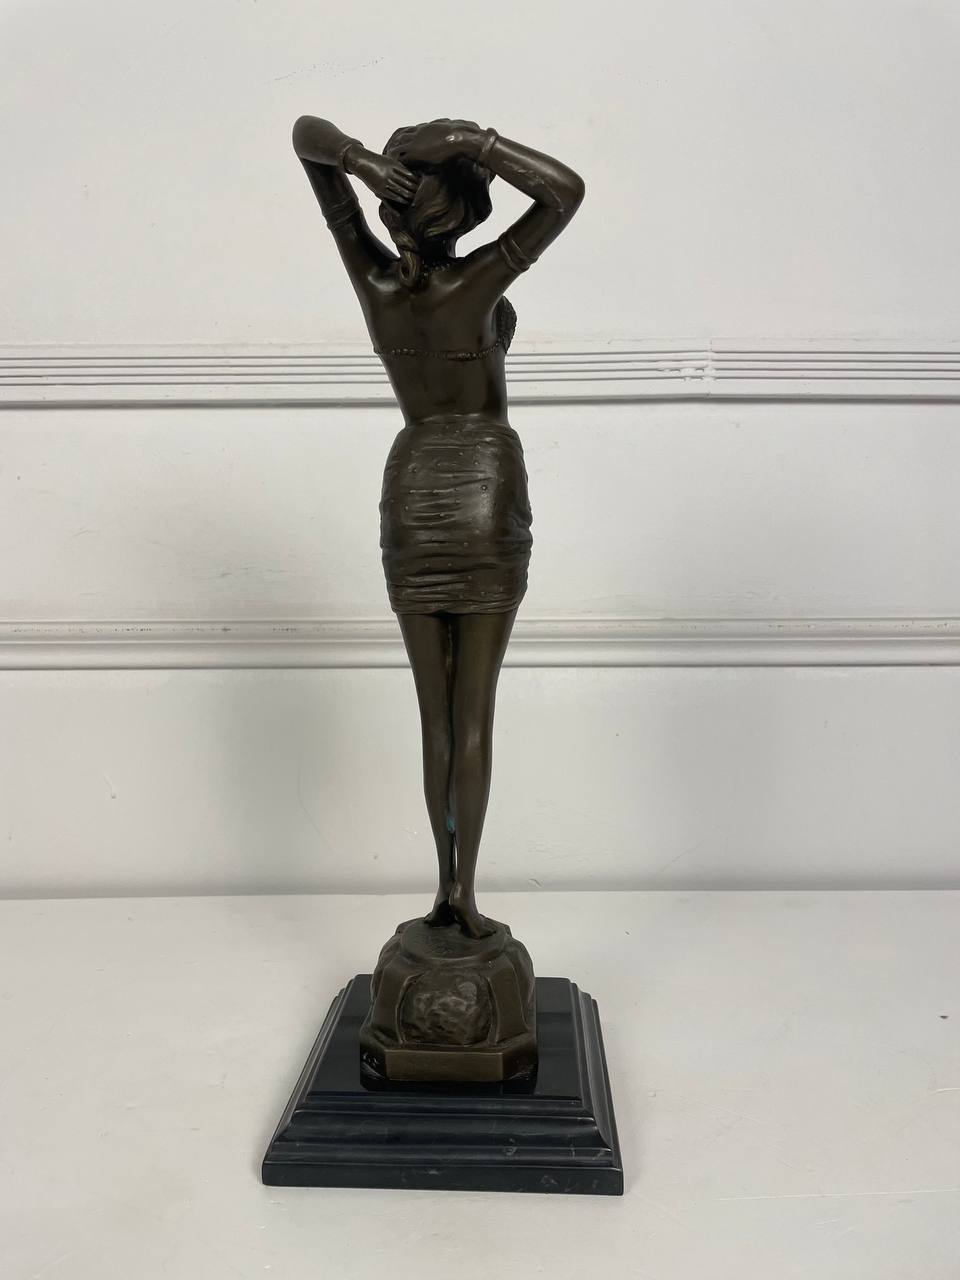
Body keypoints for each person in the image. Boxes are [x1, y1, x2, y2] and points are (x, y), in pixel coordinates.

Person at [292, 116, 584, 938]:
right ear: (464, 212)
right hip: (485, 489)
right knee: (474, 713)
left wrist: (356, 162)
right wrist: (470, 138)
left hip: (414, 491)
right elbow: (565, 192)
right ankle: (464, 896)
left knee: (436, 716)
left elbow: (305, 137)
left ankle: (445, 887)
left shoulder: (375, 283)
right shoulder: (476, 284)